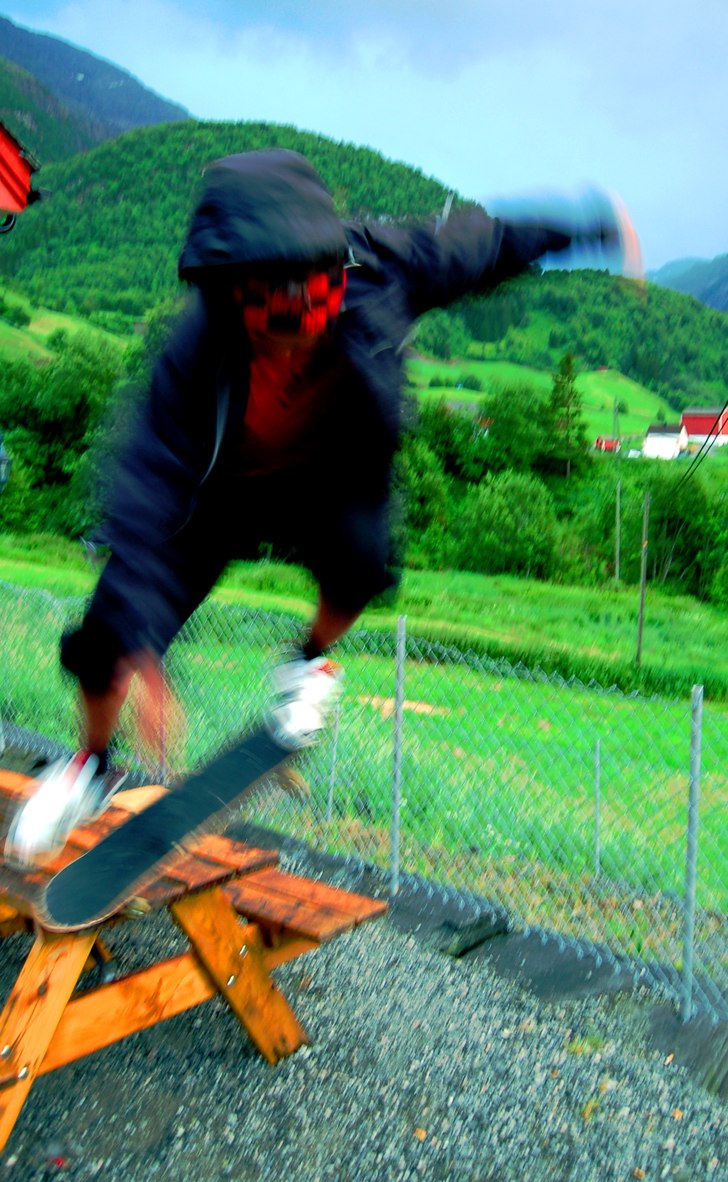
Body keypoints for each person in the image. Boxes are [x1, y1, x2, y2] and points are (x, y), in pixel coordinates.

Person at [6, 148, 639, 865]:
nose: (304, 325)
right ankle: (90, 764)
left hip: (325, 482)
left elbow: (483, 244)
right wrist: (145, 656)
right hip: (213, 497)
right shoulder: (193, 355)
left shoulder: (382, 270)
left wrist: (588, 223)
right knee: (105, 640)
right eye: (280, 318)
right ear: (233, 298)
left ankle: (305, 663)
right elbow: (143, 498)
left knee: (362, 565)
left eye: (320, 300)